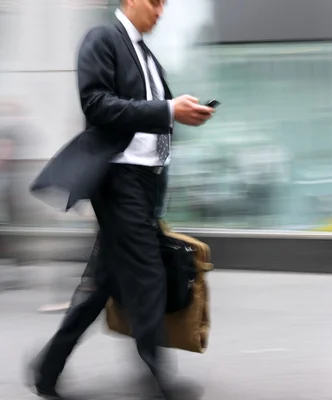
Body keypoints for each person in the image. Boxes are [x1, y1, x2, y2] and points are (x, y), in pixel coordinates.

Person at [28, 0, 214, 398]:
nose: (161, 12)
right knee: (148, 274)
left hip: (145, 183)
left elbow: (147, 115)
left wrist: (178, 111)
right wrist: (166, 109)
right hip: (118, 179)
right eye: (155, 2)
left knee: (103, 282)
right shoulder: (102, 39)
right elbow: (95, 104)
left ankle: (47, 368)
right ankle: (157, 378)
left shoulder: (143, 53)